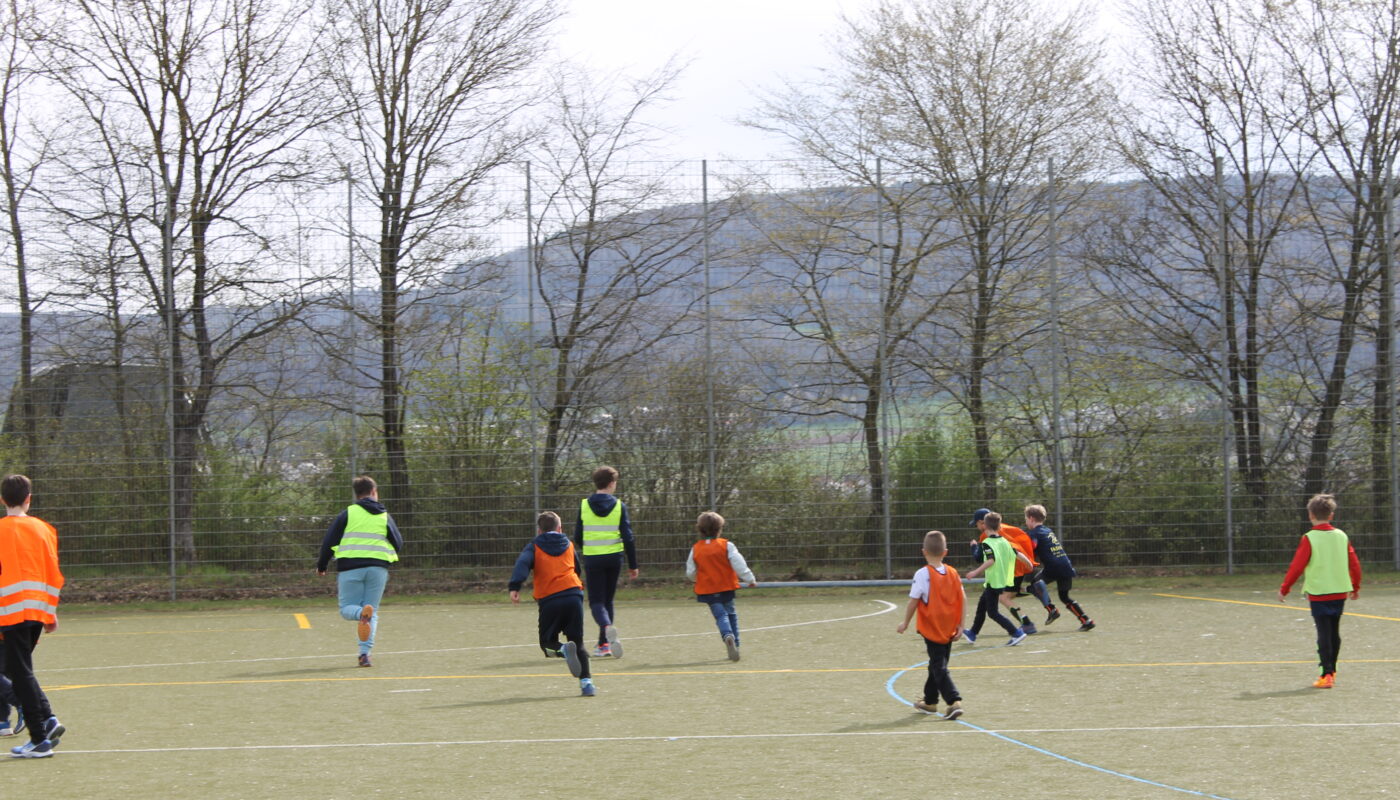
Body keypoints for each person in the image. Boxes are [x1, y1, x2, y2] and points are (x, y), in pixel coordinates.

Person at [0, 474, 66, 758]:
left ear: (3, 499)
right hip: (37, 610)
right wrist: (51, 611)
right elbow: (53, 573)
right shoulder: (45, 530)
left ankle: (39, 738)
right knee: (21, 670)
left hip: (10, 611)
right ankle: (48, 721)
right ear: (29, 498)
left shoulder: (1, 530)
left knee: (21, 672)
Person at [317, 475, 404, 668]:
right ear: (374, 492)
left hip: (350, 569)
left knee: (347, 609)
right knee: (372, 611)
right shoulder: (384, 515)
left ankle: (360, 614)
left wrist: (322, 565)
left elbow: (329, 541)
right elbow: (398, 542)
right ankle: (364, 655)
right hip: (378, 569)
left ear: (357, 494)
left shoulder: (347, 514)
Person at [1278, 494, 1361, 689]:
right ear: (1331, 515)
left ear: (1310, 515)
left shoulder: (1310, 538)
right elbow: (1354, 564)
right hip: (1340, 591)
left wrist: (1285, 588)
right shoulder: (1342, 536)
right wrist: (1355, 586)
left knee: (1323, 632)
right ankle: (1332, 671)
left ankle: (1327, 674)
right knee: (1334, 631)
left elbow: (1297, 566)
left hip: (1319, 592)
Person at [510, 511, 596, 697]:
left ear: (539, 530)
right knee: (578, 642)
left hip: (550, 599)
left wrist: (515, 586)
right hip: (574, 594)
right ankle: (587, 683)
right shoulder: (568, 544)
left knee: (547, 645)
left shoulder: (534, 546)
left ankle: (563, 650)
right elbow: (577, 568)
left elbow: (522, 564)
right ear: (560, 528)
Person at [897, 531, 966, 720]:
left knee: (938, 666)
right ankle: (930, 702)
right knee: (936, 664)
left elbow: (913, 601)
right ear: (945, 552)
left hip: (933, 626)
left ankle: (953, 701)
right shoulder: (953, 572)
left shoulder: (922, 574)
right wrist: (962, 625)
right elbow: (963, 598)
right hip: (950, 626)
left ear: (923, 551)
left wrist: (905, 622)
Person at [573, 465, 638, 658]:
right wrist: (633, 564)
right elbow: (628, 537)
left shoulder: (584, 505)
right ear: (611, 483)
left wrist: (588, 549)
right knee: (608, 600)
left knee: (596, 601)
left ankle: (606, 627)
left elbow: (577, 535)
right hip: (614, 558)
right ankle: (604, 644)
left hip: (593, 558)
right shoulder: (619, 506)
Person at [685, 511, 757, 661]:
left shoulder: (696, 548)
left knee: (720, 614)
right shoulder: (726, 545)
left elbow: (690, 571)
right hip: (726, 587)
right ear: (719, 529)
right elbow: (739, 564)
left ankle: (727, 635)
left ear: (699, 529)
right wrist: (749, 579)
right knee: (731, 613)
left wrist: (694, 579)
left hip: (708, 589)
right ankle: (735, 643)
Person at [969, 508, 1052, 635]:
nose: (977, 527)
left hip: (1012, 568)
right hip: (1020, 564)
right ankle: (1031, 590)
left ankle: (1027, 624)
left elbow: (978, 558)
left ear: (983, 522)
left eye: (977, 524)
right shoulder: (1005, 527)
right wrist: (1029, 561)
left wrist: (974, 547)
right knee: (1009, 593)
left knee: (1003, 597)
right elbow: (1023, 538)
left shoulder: (986, 535)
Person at [963, 512, 1034, 646]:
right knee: (981, 606)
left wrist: (975, 571)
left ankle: (1016, 633)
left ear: (985, 526)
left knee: (992, 613)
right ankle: (972, 633)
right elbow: (1016, 553)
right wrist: (1029, 563)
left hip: (994, 582)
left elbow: (989, 560)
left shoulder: (986, 543)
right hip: (999, 581)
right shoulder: (1004, 541)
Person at [1023, 505, 1094, 631]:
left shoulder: (1034, 533)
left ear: (1031, 518)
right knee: (1064, 597)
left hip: (1053, 568)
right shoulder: (1047, 530)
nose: (1026, 522)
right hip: (1066, 565)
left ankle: (1052, 610)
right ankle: (1086, 621)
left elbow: (1031, 548)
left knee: (1035, 585)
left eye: (1026, 519)